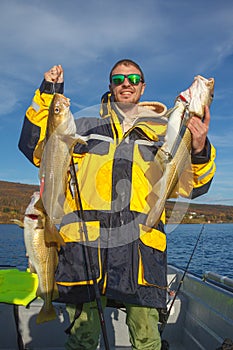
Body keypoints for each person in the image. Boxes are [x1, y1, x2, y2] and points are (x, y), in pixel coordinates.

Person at [18, 59, 216, 350]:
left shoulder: (163, 133)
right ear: (110, 85)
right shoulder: (81, 127)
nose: (127, 83)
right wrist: (49, 91)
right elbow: (35, 146)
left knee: (147, 340)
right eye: (119, 78)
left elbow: (193, 186)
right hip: (84, 252)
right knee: (82, 340)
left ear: (143, 86)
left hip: (141, 255)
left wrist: (199, 150)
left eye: (134, 79)